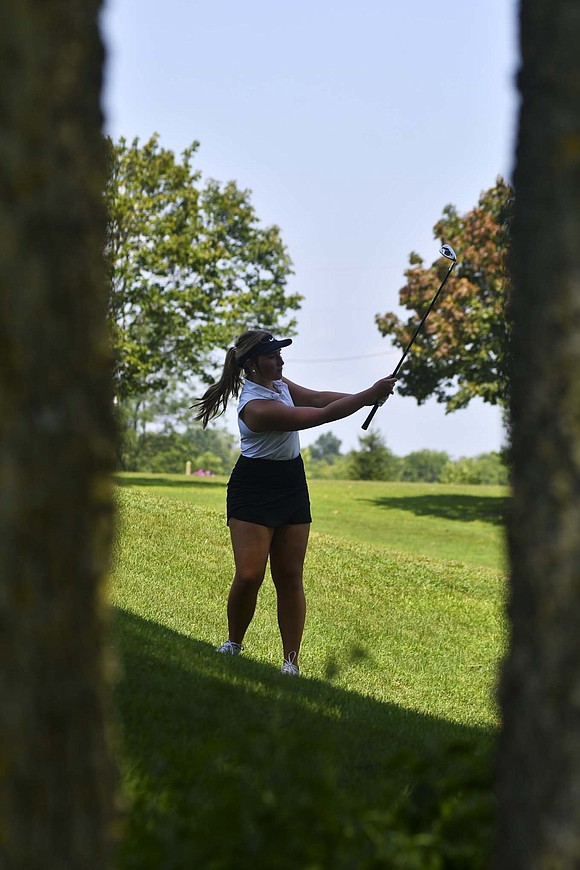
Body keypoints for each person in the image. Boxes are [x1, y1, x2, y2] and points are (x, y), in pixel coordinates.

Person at [192, 328, 396, 676]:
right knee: (249, 574)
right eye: (273, 356)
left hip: (290, 483)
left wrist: (369, 396)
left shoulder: (280, 386)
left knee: (289, 575)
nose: (281, 361)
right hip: (253, 487)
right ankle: (234, 643)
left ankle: (291, 661)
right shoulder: (254, 406)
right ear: (253, 363)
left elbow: (318, 399)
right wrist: (366, 395)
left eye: (280, 355)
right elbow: (318, 417)